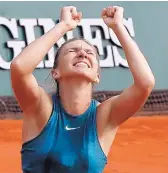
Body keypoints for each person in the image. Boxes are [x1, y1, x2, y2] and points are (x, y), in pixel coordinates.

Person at [10, 5, 155, 173]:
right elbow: (19, 68)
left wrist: (118, 27)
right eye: (72, 51)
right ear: (55, 72)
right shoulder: (40, 107)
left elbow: (145, 83)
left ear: (97, 76)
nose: (82, 54)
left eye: (89, 53)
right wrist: (63, 26)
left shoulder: (104, 116)